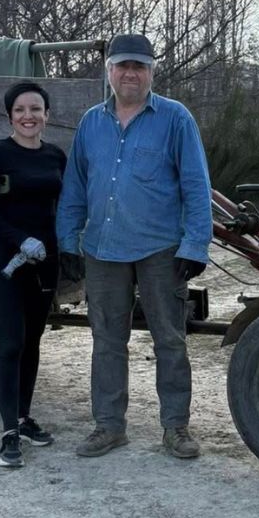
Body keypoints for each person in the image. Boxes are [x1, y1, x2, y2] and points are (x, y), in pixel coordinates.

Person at [55, 33, 212, 460]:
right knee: (107, 340)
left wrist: (195, 246)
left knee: (170, 340)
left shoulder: (175, 119)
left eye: (139, 66)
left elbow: (197, 186)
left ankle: (175, 427)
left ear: (151, 72)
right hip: (103, 250)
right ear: (108, 71)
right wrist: (68, 242)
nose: (130, 73)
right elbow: (74, 187)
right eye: (123, 65)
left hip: (161, 250)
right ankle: (108, 425)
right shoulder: (91, 122)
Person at [0, 82, 65, 468]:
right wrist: (18, 239)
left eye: (36, 109)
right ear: (10, 116)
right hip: (4, 261)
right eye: (20, 110)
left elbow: (65, 206)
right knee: (10, 342)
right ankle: (8, 431)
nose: (28, 116)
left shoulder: (56, 156)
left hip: (44, 260)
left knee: (32, 342)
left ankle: (25, 418)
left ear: (47, 115)